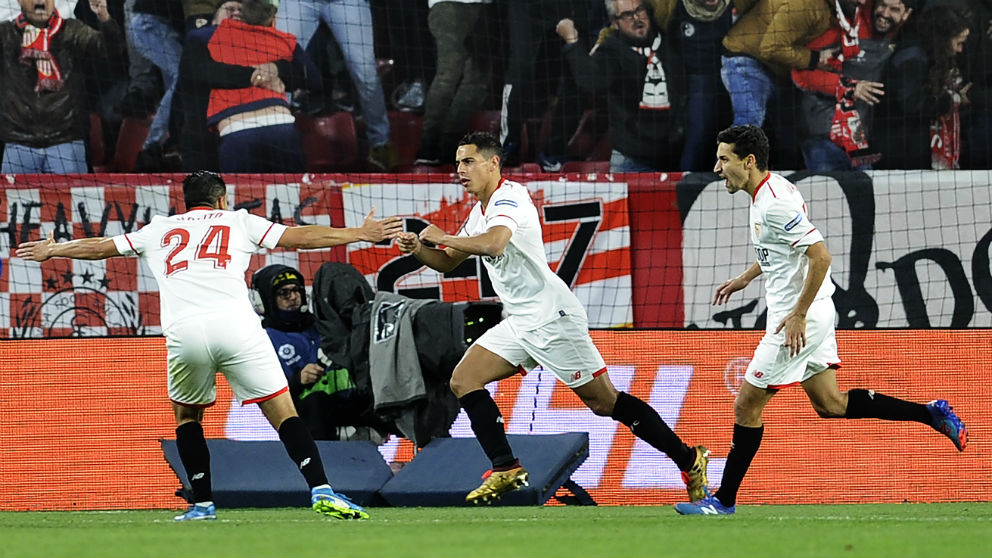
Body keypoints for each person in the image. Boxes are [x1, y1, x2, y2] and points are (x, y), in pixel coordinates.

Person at [16, 170, 403, 521]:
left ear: (187, 202)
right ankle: (322, 489)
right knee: (284, 412)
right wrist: (359, 234)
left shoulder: (159, 229)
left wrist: (55, 250)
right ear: (221, 200)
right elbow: (298, 236)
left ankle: (202, 504)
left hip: (185, 334)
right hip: (237, 328)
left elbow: (102, 247)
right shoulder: (238, 221)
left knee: (188, 419)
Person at [396, 131, 709, 504]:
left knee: (604, 403)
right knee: (464, 379)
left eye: (469, 161)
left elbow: (493, 243)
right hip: (520, 321)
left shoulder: (510, 198)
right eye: (458, 163)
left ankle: (689, 460)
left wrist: (444, 235)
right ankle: (506, 468)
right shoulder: (479, 212)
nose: (460, 170)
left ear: (493, 163)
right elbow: (448, 263)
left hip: (552, 317)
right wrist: (419, 249)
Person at [673, 125, 968, 515]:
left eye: (724, 159)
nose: (716, 167)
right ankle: (930, 413)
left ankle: (722, 501)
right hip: (808, 313)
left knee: (746, 406)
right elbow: (782, 250)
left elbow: (820, 256)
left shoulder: (775, 202)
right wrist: (747, 276)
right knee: (831, 404)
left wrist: (797, 315)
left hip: (798, 320)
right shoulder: (768, 192)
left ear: (748, 162)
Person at [252, 263, 386, 441]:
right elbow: (265, 396)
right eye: (284, 293)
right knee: (317, 402)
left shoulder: (325, 324)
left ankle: (426, 454)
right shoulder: (263, 341)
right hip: (305, 413)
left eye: (296, 290)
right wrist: (298, 380)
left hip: (349, 405)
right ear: (265, 301)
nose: (293, 297)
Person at [556, 0, 688, 172]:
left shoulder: (667, 43)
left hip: (675, 158)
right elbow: (591, 82)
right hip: (632, 161)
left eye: (639, 10)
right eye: (626, 15)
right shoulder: (612, 51)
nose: (636, 19)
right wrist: (572, 42)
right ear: (614, 22)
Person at [0, 0, 123, 173]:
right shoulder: (6, 35)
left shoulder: (72, 31)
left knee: (73, 200)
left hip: (66, 143)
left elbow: (111, 49)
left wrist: (104, 17)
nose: (40, 1)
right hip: (19, 144)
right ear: (19, 1)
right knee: (10, 200)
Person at [791, 0, 916, 171]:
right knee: (826, 192)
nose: (885, 13)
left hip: (858, 141)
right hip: (821, 136)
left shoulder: (901, 37)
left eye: (894, 9)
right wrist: (849, 87)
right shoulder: (842, 23)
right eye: (882, 5)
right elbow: (801, 73)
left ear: (906, 14)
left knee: (865, 192)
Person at [202, 0, 320, 173]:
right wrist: (277, 72)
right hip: (281, 127)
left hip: (236, 131)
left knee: (243, 198)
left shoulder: (213, 38)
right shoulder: (284, 40)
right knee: (292, 198)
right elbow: (315, 80)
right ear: (273, 19)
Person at [873, 3, 971, 169]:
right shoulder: (912, 59)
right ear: (944, 39)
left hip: (909, 148)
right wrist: (950, 100)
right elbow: (912, 103)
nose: (960, 49)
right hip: (898, 153)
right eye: (958, 42)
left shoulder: (924, 54)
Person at [413, 0, 493, 167]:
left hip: (485, 8)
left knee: (477, 77)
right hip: (449, 5)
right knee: (449, 73)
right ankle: (429, 146)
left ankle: (448, 146)